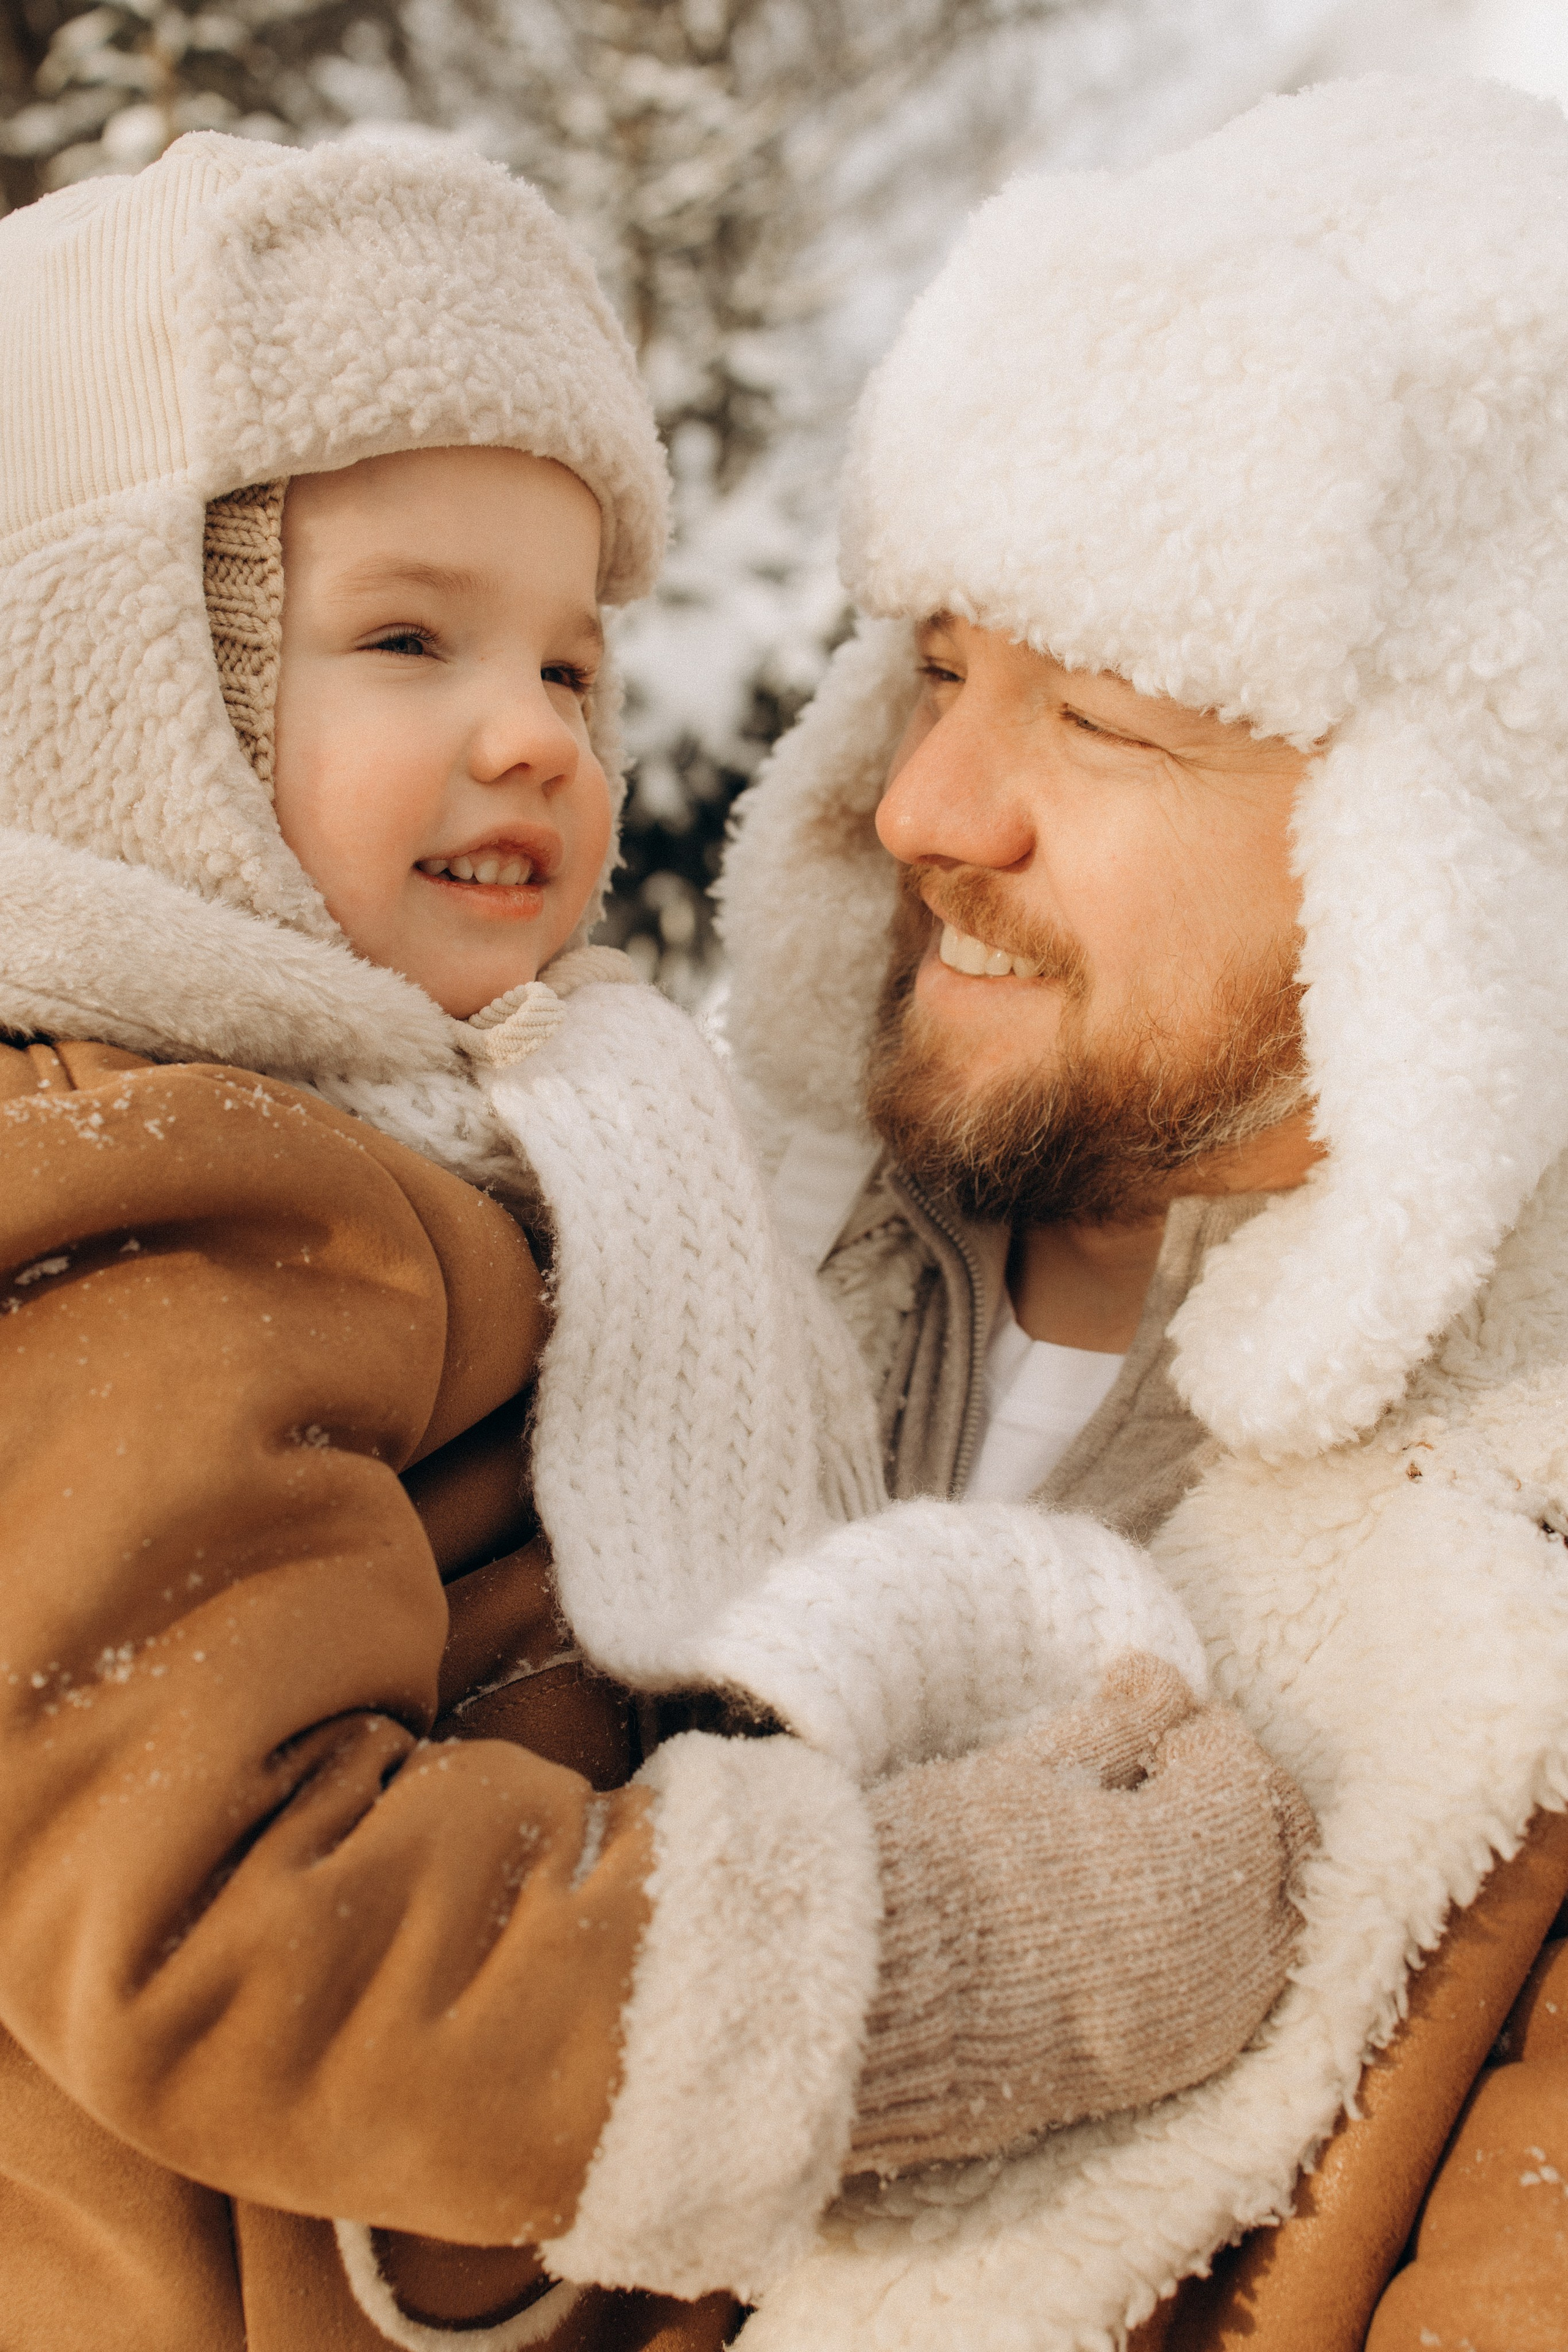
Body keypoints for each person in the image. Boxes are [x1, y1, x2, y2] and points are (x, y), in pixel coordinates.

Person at [0, 130, 1311, 2351]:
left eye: (575, 669)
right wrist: (943, 1949)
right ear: (120, 693)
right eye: (406, 638)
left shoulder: (447, 1123)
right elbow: (224, 1928)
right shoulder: (144, 1192)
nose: (530, 732)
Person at [719, 69, 1568, 2351]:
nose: (924, 806)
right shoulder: (578, 1284)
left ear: (1449, 868)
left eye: (1093, 717)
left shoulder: (1517, 1652)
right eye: (933, 669)